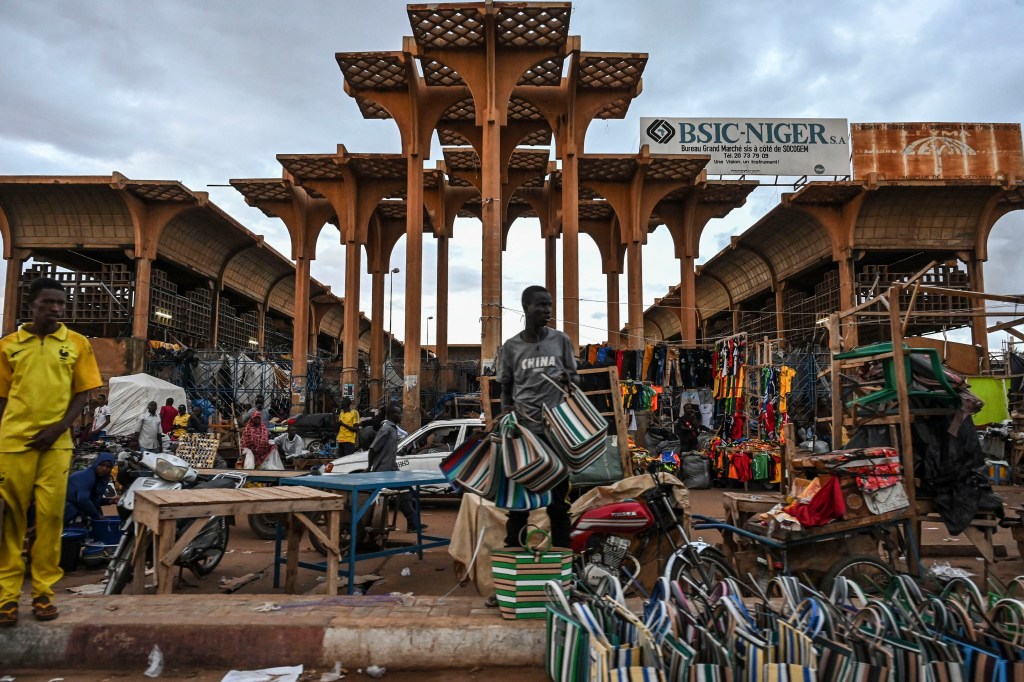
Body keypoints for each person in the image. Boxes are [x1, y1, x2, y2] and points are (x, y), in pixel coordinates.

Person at [0, 277, 103, 626]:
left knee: (49, 518)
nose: (57, 309)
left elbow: (83, 392)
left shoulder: (76, 344)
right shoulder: (9, 346)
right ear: (32, 305)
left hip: (57, 445)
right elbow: (1, 398)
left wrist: (60, 427)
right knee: (10, 521)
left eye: (61, 303)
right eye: (49, 303)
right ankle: (7, 598)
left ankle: (43, 594)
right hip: (14, 444)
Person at [497, 285, 577, 550]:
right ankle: (513, 570)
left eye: (550, 305)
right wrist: (506, 415)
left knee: (558, 505)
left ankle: (566, 567)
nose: (547, 311)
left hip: (556, 435)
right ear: (526, 308)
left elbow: (574, 380)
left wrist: (568, 379)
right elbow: (506, 388)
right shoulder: (511, 347)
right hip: (524, 437)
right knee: (519, 507)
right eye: (541, 305)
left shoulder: (561, 341)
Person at [368, 404, 425, 532]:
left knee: (409, 491)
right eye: (398, 413)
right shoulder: (386, 429)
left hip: (391, 470)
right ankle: (412, 523)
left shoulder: (394, 429)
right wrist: (369, 467)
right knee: (406, 491)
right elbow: (373, 449)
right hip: (384, 472)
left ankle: (414, 522)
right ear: (391, 415)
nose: (401, 416)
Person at [63, 452, 115, 525]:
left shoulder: (101, 479)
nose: (104, 469)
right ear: (96, 464)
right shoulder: (87, 476)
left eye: (108, 467)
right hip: (68, 509)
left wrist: (109, 501)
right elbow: (83, 500)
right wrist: (97, 516)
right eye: (101, 465)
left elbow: (93, 500)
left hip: (78, 507)